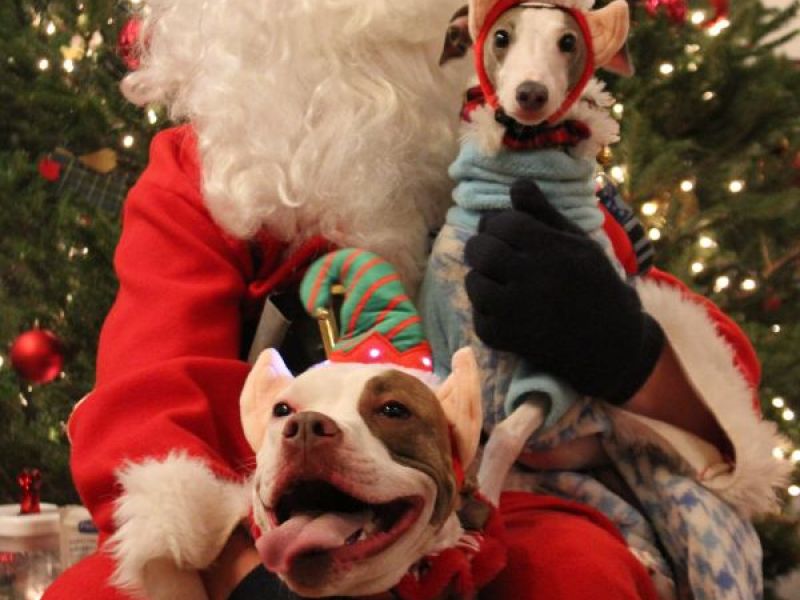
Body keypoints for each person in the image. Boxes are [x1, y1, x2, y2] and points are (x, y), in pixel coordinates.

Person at [44, 0, 787, 598]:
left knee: (574, 574)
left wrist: (625, 348)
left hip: (502, 497)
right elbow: (151, 396)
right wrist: (249, 572)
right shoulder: (208, 172)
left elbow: (719, 379)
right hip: (265, 501)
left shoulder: (528, 163)